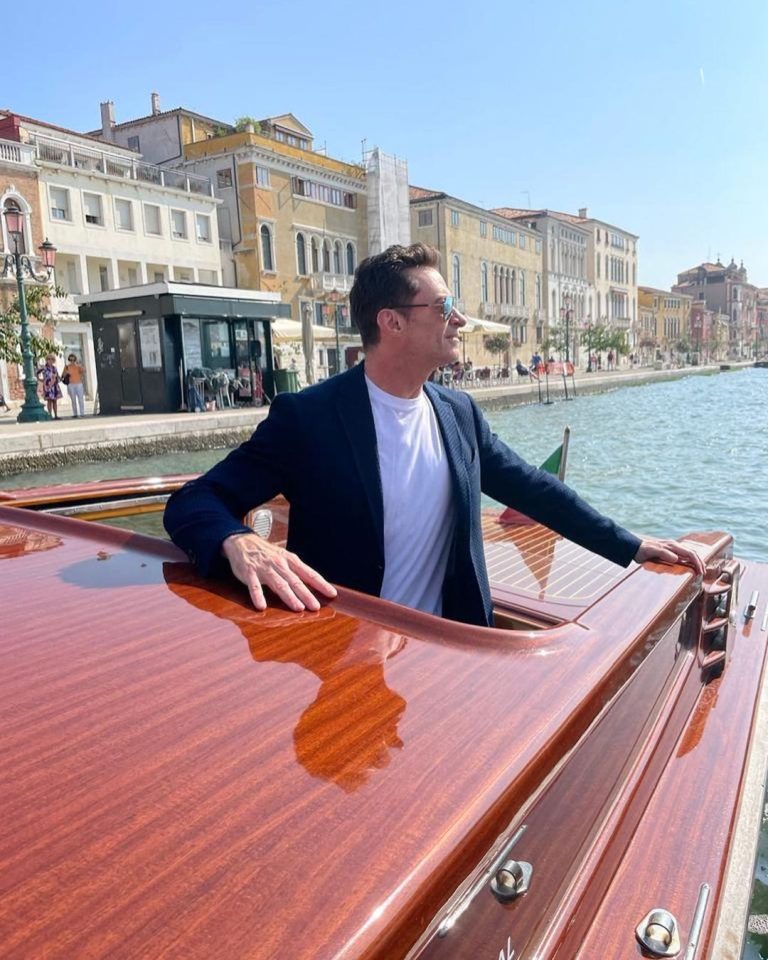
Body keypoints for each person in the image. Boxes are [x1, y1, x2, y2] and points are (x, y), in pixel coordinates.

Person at [165, 243, 704, 627]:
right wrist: (238, 541)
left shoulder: (458, 412)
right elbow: (195, 500)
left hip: (450, 651)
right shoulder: (309, 418)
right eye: (445, 307)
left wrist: (629, 544)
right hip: (342, 648)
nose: (460, 320)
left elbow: (532, 488)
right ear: (392, 322)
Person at [37, 354, 62, 419]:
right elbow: (37, 373)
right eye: (49, 359)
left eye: (52, 359)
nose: (50, 361)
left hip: (54, 386)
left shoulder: (54, 368)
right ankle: (50, 415)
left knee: (55, 401)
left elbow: (57, 376)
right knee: (49, 401)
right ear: (47, 360)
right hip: (47, 386)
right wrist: (41, 380)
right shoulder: (44, 368)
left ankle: (56, 415)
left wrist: (59, 379)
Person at [62, 353, 86, 418]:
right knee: (73, 399)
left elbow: (84, 371)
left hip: (79, 384)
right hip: (71, 384)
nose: (72, 361)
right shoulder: (67, 367)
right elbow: (63, 375)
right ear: (69, 360)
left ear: (75, 360)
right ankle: (75, 414)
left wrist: (80, 366)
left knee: (80, 399)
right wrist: (66, 373)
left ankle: (82, 413)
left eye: (73, 360)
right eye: (71, 360)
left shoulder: (78, 366)